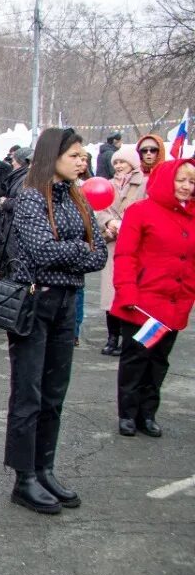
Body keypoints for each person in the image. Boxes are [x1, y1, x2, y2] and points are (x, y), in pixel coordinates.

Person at [4, 128, 106, 514]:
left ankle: (45, 468)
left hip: (66, 303)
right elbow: (42, 250)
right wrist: (80, 249)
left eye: (83, 156)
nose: (83, 161)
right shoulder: (31, 196)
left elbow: (100, 255)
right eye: (76, 155)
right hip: (35, 303)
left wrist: (77, 251)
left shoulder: (77, 196)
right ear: (54, 156)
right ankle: (23, 477)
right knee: (28, 393)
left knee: (55, 392)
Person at [110, 158, 194, 438]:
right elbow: (125, 255)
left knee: (159, 360)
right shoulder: (141, 211)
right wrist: (128, 291)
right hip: (144, 305)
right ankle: (128, 414)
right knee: (138, 358)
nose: (186, 186)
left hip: (176, 302)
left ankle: (148, 413)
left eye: (191, 182)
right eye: (181, 180)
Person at [95, 147, 146, 357]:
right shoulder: (107, 184)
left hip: (134, 245)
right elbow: (98, 208)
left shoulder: (143, 182)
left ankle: (128, 338)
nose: (118, 166)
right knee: (110, 294)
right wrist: (109, 223)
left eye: (122, 162)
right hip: (112, 241)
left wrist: (129, 224)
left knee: (129, 292)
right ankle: (112, 337)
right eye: (116, 162)